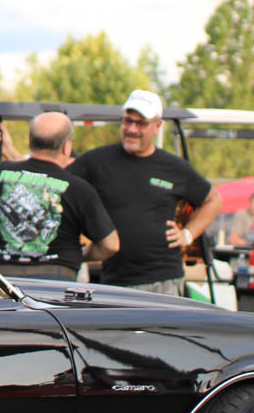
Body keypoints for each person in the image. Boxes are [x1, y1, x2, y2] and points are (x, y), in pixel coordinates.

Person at [67, 89, 221, 296]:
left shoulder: (174, 167)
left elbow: (213, 200)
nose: (132, 129)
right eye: (128, 121)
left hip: (163, 281)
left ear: (157, 126)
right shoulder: (97, 161)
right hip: (114, 281)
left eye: (141, 123)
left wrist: (187, 234)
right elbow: (59, 185)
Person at [0, 111, 119, 278]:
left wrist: (4, 234)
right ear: (66, 147)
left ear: (31, 140)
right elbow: (111, 245)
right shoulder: (79, 188)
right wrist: (81, 255)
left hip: (6, 280)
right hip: (57, 280)